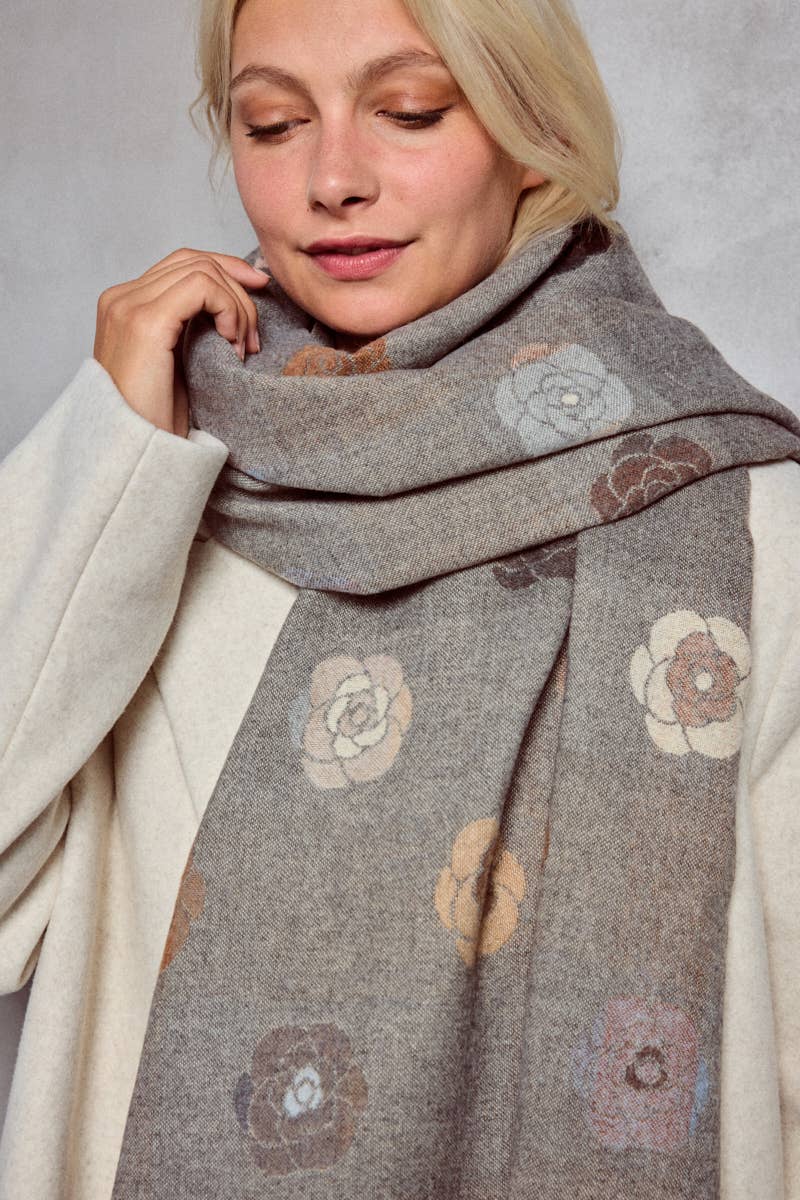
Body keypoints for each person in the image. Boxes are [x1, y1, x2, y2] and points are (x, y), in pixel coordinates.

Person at [0, 0, 798, 1197]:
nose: (333, 179)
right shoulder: (153, 496)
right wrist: (104, 449)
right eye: (273, 124)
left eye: (408, 111)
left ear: (532, 135)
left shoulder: (737, 525)